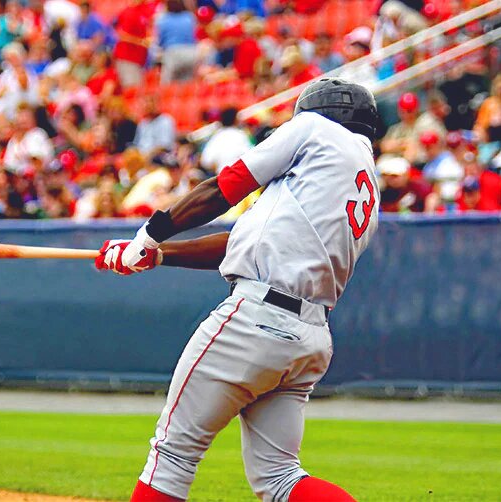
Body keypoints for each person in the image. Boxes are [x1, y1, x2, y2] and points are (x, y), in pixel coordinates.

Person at [95, 78, 379, 502]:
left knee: (171, 456)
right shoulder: (365, 184)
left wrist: (148, 235)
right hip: (309, 338)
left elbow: (224, 187)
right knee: (281, 478)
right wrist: (156, 254)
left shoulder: (314, 130)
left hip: (256, 320)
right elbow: (242, 242)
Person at [200, 107, 252, 173]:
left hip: (223, 177)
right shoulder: (241, 135)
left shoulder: (217, 136)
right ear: (235, 119)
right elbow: (250, 158)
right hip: (239, 176)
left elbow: (206, 161)